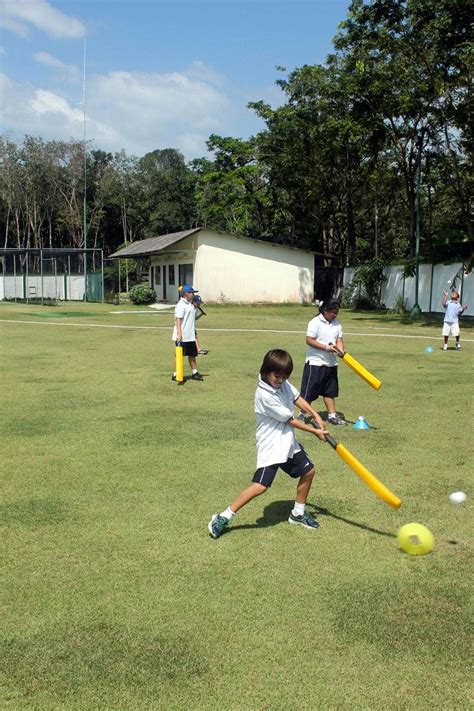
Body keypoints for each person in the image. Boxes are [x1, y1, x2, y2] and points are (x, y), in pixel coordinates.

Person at [208, 349, 328, 539]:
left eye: (284, 376)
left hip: (287, 441)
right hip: (271, 444)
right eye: (277, 375)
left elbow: (297, 399)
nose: (280, 380)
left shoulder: (283, 383)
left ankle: (297, 513)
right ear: (266, 370)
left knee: (308, 471)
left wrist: (315, 416)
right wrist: (315, 431)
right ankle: (223, 516)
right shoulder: (264, 395)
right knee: (261, 486)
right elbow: (290, 419)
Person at [300, 300, 346, 425]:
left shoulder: (337, 324)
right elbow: (309, 340)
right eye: (333, 312)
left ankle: (332, 416)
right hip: (315, 363)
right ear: (325, 311)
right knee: (308, 393)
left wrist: (340, 350)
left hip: (331, 364)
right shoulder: (315, 322)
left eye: (337, 312)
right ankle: (302, 415)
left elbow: (339, 340)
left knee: (329, 392)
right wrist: (326, 347)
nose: (335, 315)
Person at [173, 285, 203, 381]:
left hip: (190, 336)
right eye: (192, 293)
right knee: (179, 355)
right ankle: (175, 374)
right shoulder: (181, 305)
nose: (193, 294)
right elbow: (178, 320)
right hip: (182, 336)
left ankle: (195, 372)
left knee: (192, 354)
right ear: (186, 294)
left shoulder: (190, 304)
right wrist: (179, 334)